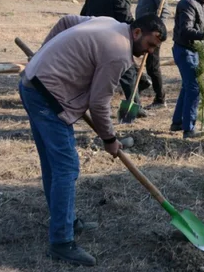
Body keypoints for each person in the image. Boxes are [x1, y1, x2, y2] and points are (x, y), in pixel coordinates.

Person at [19, 14, 166, 266]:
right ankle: (62, 242)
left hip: (32, 82)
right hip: (48, 96)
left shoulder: (109, 21)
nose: (149, 53)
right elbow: (99, 103)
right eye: (150, 45)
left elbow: (66, 21)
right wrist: (109, 138)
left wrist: (43, 54)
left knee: (54, 166)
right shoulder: (119, 54)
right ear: (138, 32)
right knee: (66, 168)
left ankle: (65, 220)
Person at [80, 0, 147, 118]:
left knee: (92, 73)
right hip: (113, 42)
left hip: (91, 40)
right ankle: (136, 107)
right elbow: (128, 22)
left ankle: (81, 104)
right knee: (128, 72)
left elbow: (83, 14)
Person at [171, 0, 204, 139]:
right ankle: (189, 129)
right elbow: (185, 30)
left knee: (187, 86)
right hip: (184, 51)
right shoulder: (188, 3)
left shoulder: (202, 4)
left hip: (193, 50)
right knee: (194, 88)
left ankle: (177, 122)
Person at [133, 0, 169, 109]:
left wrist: (157, 31)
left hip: (152, 35)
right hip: (143, 33)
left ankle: (160, 99)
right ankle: (140, 90)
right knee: (148, 66)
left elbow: (164, 10)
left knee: (153, 67)